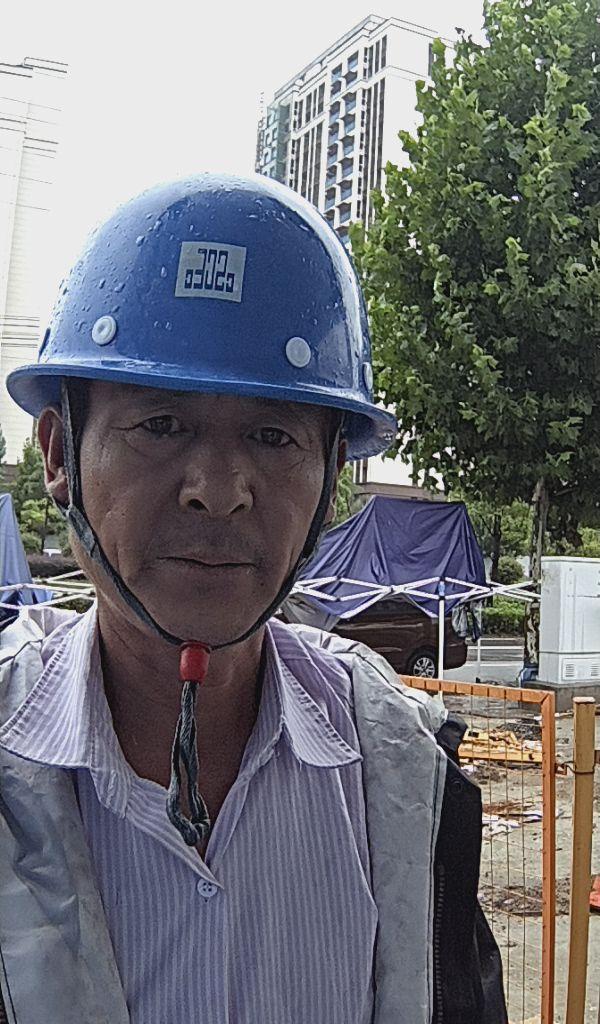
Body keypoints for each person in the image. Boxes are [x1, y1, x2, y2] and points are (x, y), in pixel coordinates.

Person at [0, 174, 507, 1024]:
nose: (219, 490)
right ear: (59, 454)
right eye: (161, 426)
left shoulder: (402, 781)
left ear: (331, 482)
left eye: (273, 436)